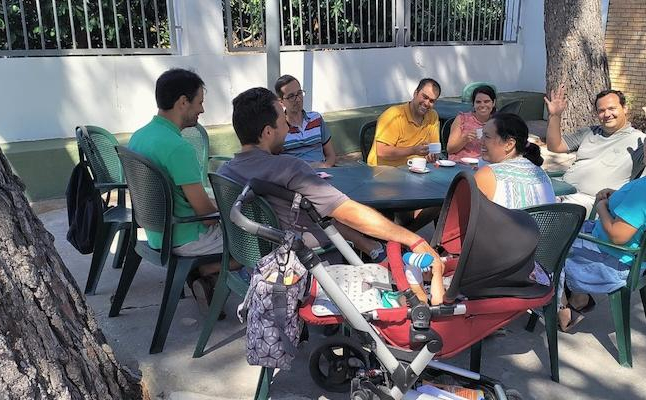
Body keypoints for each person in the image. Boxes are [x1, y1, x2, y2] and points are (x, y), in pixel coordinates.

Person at [216, 87, 448, 304]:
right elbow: (348, 211)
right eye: (282, 120)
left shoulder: (224, 171)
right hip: (304, 258)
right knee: (343, 219)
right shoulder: (288, 168)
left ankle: (375, 251)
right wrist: (412, 239)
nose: (287, 124)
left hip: (256, 257)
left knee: (325, 212)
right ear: (267, 132)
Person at [559, 120, 646, 332]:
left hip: (611, 260)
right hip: (636, 258)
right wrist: (617, 197)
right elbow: (643, 213)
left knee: (549, 247)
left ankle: (565, 306)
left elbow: (617, 236)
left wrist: (602, 205)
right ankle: (578, 297)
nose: (645, 147)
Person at [127, 68, 223, 315]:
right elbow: (205, 213)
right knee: (264, 242)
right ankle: (206, 271)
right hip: (186, 237)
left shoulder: (139, 137)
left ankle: (205, 277)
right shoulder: (178, 148)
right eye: (200, 102)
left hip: (157, 233)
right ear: (183, 102)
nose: (202, 110)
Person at [544, 87, 646, 215]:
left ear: (625, 109)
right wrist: (555, 115)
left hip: (591, 204)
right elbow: (555, 146)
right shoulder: (590, 132)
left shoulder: (640, 141)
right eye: (601, 110)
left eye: (612, 108)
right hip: (561, 191)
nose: (607, 114)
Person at [473, 112, 555, 286]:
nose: (481, 142)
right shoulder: (541, 173)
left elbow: (467, 224)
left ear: (509, 144)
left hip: (503, 271)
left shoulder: (488, 175)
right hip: (543, 268)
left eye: (487, 137)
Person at [366, 78, 442, 167]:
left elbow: (435, 150)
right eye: (424, 97)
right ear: (415, 93)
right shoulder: (393, 115)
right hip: (383, 171)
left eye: (432, 101)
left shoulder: (433, 116)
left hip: (416, 170)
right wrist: (413, 150)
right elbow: (381, 151)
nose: (426, 103)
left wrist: (432, 155)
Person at [274, 75, 337, 167]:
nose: (298, 99)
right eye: (291, 96)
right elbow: (274, 163)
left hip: (322, 173)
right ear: (281, 102)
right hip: (294, 176)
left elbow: (331, 155)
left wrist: (326, 167)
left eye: (299, 93)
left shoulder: (316, 119)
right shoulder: (278, 128)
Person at [447, 85, 497, 161]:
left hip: (485, 165)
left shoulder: (497, 122)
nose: (482, 105)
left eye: (486, 101)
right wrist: (465, 139)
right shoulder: (462, 119)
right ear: (473, 104)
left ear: (493, 103)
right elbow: (450, 149)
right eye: (478, 102)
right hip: (459, 164)